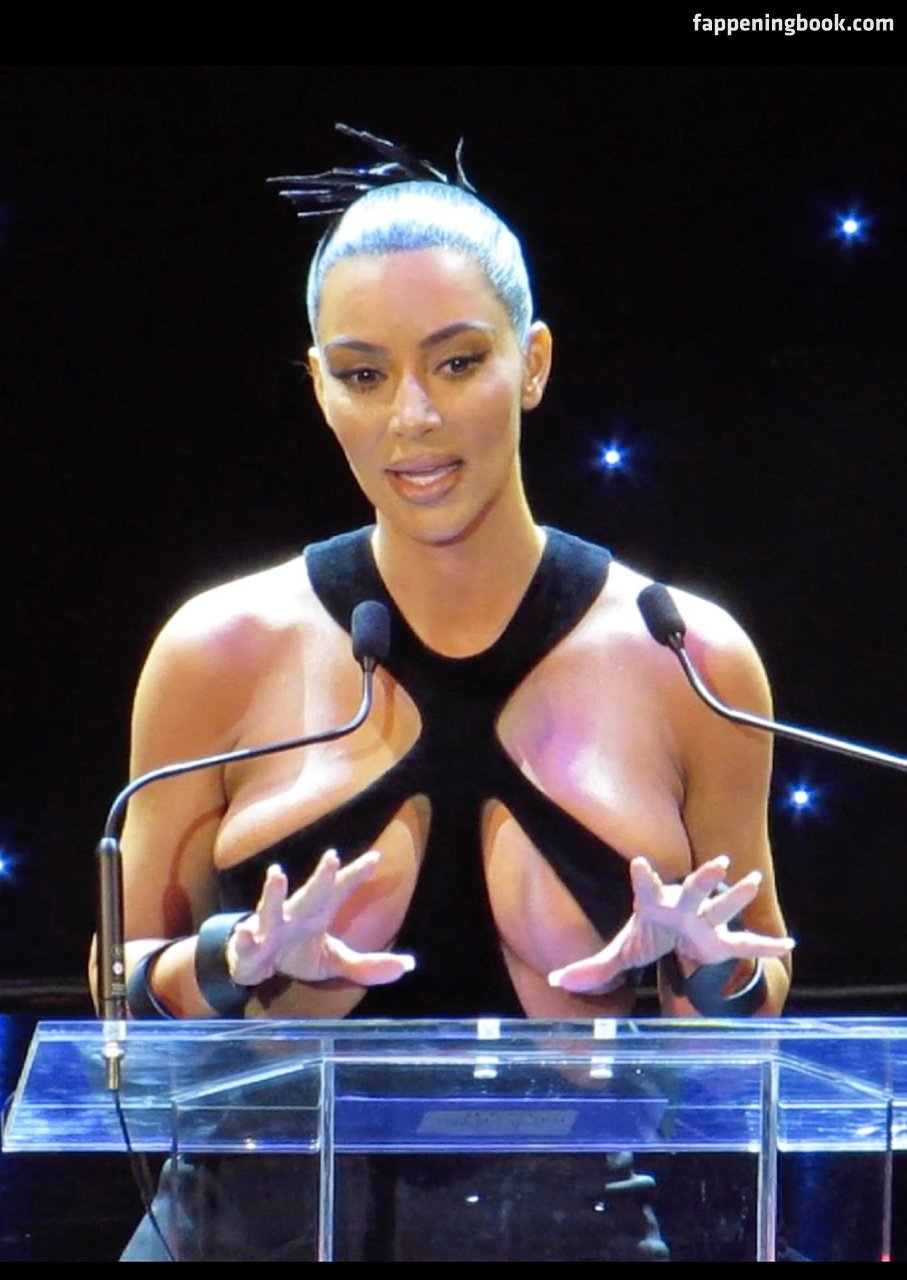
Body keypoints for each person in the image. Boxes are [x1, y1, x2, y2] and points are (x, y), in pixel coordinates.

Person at [101, 127, 793, 1261]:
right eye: (363, 374)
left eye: (458, 362)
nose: (410, 417)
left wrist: (702, 965)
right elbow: (115, 991)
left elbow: (753, 1004)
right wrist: (233, 961)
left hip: (570, 1228)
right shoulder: (216, 651)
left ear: (534, 362)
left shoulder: (687, 658)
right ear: (320, 387)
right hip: (244, 1225)